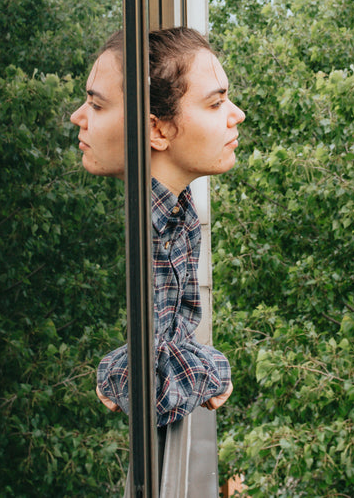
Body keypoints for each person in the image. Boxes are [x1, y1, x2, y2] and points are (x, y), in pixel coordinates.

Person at [69, 27, 243, 475]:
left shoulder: (173, 211)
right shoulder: (143, 231)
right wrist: (211, 369)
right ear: (157, 129)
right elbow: (152, 388)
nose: (236, 115)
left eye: (95, 103)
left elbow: (165, 346)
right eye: (216, 102)